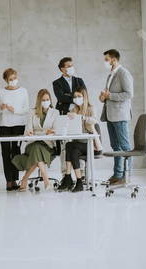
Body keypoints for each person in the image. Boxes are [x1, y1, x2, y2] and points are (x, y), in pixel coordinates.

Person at [12, 89, 60, 192]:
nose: (46, 101)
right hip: (32, 144)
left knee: (37, 151)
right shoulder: (32, 112)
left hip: (48, 146)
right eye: (43, 100)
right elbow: (28, 131)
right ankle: (46, 181)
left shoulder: (55, 113)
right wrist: (42, 133)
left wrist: (37, 133)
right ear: (39, 101)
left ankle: (25, 179)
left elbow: (55, 131)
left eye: (48, 99)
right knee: (36, 147)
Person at [58, 87, 103, 192]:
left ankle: (69, 178)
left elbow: (94, 121)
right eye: (75, 97)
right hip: (78, 144)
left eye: (79, 96)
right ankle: (77, 180)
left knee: (71, 147)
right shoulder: (73, 110)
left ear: (84, 97)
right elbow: (71, 128)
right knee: (70, 147)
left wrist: (81, 117)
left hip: (91, 144)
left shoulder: (91, 108)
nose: (76, 98)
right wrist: (67, 119)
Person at [99, 49, 133, 185]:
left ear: (114, 59)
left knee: (125, 147)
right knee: (116, 147)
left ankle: (126, 175)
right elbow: (108, 95)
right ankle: (117, 174)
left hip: (120, 115)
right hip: (110, 115)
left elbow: (129, 94)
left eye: (106, 59)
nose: (105, 62)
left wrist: (110, 96)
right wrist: (103, 97)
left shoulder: (123, 73)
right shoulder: (111, 75)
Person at [52, 57, 87, 186]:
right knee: (65, 147)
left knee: (78, 142)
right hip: (65, 116)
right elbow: (60, 97)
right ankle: (65, 175)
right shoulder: (57, 83)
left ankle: (81, 174)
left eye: (72, 65)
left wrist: (68, 96)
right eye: (68, 66)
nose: (71, 67)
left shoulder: (79, 80)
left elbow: (84, 95)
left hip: (78, 115)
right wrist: (75, 96)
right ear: (62, 68)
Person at [0, 68, 30, 191]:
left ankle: (15, 179)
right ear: (6, 80)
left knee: (15, 150)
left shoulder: (23, 91)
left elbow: (26, 109)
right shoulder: (1, 92)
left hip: (18, 124)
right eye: (10, 79)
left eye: (14, 78)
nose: (13, 81)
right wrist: (1, 108)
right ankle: (8, 181)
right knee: (5, 152)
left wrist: (14, 110)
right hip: (4, 124)